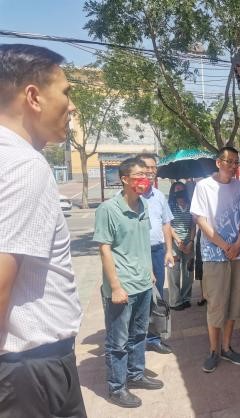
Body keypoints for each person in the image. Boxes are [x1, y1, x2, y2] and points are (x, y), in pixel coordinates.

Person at [0, 44, 86, 418]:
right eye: (65, 92)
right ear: (33, 97)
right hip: (29, 374)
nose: (72, 106)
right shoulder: (23, 165)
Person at [93, 157, 164, 408]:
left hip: (143, 283)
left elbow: (142, 242)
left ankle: (135, 375)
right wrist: (115, 286)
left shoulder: (143, 205)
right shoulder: (108, 209)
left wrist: (149, 271)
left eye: (147, 175)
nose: (145, 179)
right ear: (124, 179)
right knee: (118, 341)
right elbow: (104, 249)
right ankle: (117, 387)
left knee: (139, 334)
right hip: (122, 287)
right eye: (139, 175)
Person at [190, 146, 240, 373]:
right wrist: (225, 246)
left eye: (236, 162)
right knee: (216, 304)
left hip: (238, 254)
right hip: (215, 254)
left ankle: (227, 347)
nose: (233, 166)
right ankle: (213, 350)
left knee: (235, 302)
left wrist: (238, 244)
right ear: (218, 162)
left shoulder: (239, 187)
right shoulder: (203, 186)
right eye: (229, 161)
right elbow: (200, 220)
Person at [137, 153, 175, 354]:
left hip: (157, 251)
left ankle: (153, 338)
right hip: (136, 254)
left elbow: (166, 224)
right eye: (147, 167)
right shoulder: (128, 196)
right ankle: (137, 338)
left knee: (157, 295)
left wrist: (169, 250)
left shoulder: (159, 196)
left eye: (154, 167)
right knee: (138, 295)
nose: (151, 171)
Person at [167, 180, 196, 310]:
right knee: (174, 272)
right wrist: (178, 241)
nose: (180, 191)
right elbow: (168, 226)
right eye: (177, 189)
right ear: (173, 192)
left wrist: (191, 242)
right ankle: (175, 301)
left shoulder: (191, 206)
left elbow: (193, 225)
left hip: (189, 242)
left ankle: (186, 298)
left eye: (182, 189)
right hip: (174, 243)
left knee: (189, 271)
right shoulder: (170, 207)